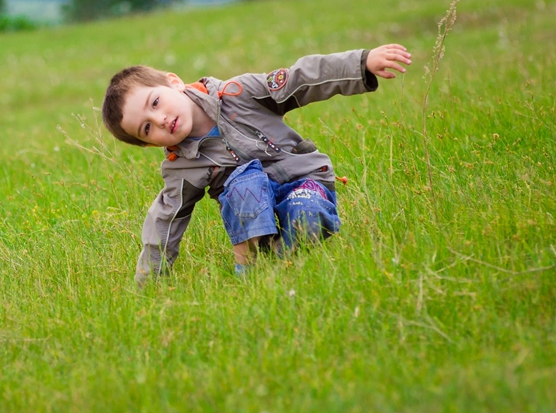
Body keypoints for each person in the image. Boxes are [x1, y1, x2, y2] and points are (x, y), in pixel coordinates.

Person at [101, 44, 412, 285]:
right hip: (250, 212)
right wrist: (147, 283)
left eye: (155, 103)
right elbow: (164, 222)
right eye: (146, 128)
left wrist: (361, 64)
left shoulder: (238, 93)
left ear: (174, 82)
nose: (160, 120)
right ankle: (249, 266)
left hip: (304, 181)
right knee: (244, 180)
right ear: (148, 144)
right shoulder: (182, 167)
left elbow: (301, 80)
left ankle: (277, 257)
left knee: (309, 220)